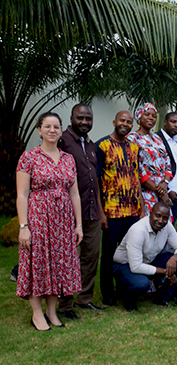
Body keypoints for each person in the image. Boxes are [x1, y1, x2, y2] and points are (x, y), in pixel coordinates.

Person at [16, 113, 83, 331]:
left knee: (57, 266)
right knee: (38, 264)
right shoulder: (29, 157)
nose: (52, 130)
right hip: (38, 219)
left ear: (61, 130)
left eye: (56, 127)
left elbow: (74, 194)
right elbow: (22, 194)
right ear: (39, 130)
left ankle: (52, 312)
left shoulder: (68, 159)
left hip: (63, 222)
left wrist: (78, 224)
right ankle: (37, 314)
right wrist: (24, 227)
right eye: (47, 126)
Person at [56, 104, 104, 319]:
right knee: (67, 258)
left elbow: (97, 181)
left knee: (91, 255)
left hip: (92, 211)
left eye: (88, 119)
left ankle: (84, 298)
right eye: (80, 118)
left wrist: (101, 212)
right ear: (72, 118)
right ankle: (64, 305)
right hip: (67, 212)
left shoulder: (92, 145)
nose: (84, 122)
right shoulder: (62, 141)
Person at [96, 110, 145, 306]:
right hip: (112, 209)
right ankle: (107, 293)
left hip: (132, 210)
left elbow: (136, 178)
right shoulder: (102, 145)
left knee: (128, 253)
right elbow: (98, 181)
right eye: (122, 120)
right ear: (114, 121)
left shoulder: (134, 147)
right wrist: (101, 212)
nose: (125, 124)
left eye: (129, 122)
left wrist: (141, 207)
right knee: (108, 255)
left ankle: (125, 287)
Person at [112, 202, 177, 310]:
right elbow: (136, 267)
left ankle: (163, 297)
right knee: (142, 283)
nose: (160, 221)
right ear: (150, 213)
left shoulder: (167, 226)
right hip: (125, 265)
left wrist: (173, 259)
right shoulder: (138, 230)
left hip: (148, 261)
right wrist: (166, 272)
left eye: (165, 218)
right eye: (157, 216)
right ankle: (127, 298)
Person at [127, 103, 174, 218]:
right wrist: (160, 192)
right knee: (150, 225)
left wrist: (165, 183)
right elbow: (138, 168)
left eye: (153, 116)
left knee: (164, 226)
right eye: (147, 114)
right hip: (146, 192)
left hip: (162, 188)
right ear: (139, 117)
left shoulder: (157, 138)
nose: (151, 118)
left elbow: (167, 160)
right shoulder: (132, 138)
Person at [157, 111, 177, 219]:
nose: (176, 125)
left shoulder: (175, 143)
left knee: (170, 230)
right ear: (165, 122)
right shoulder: (156, 140)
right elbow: (155, 169)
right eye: (173, 122)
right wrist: (167, 191)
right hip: (164, 194)